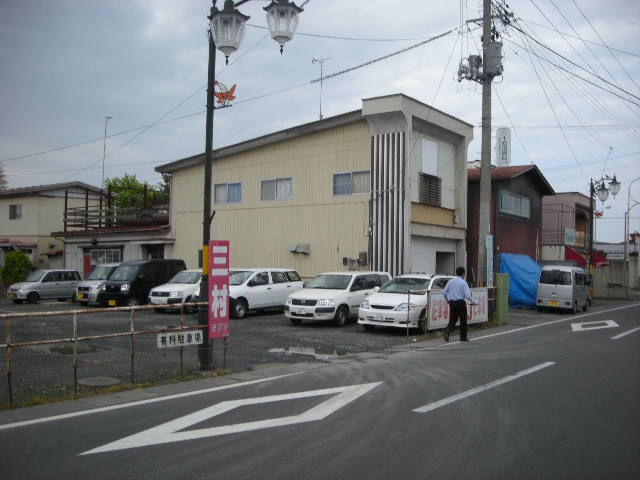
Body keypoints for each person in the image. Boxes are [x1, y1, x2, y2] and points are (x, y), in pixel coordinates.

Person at [442, 266, 477, 342]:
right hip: (461, 303)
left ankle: (447, 331)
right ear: (463, 274)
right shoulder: (463, 283)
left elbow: (444, 292)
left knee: (452, 320)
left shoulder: (450, 282)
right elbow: (467, 295)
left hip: (452, 303)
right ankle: (463, 337)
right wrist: (473, 302)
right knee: (463, 320)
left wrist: (447, 300)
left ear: (456, 273)